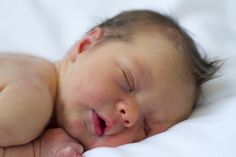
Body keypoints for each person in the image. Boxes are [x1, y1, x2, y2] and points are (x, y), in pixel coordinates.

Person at [0, 10, 221, 157]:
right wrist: (37, 150)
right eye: (128, 81)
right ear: (86, 46)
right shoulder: (31, 91)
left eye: (146, 128)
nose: (130, 115)